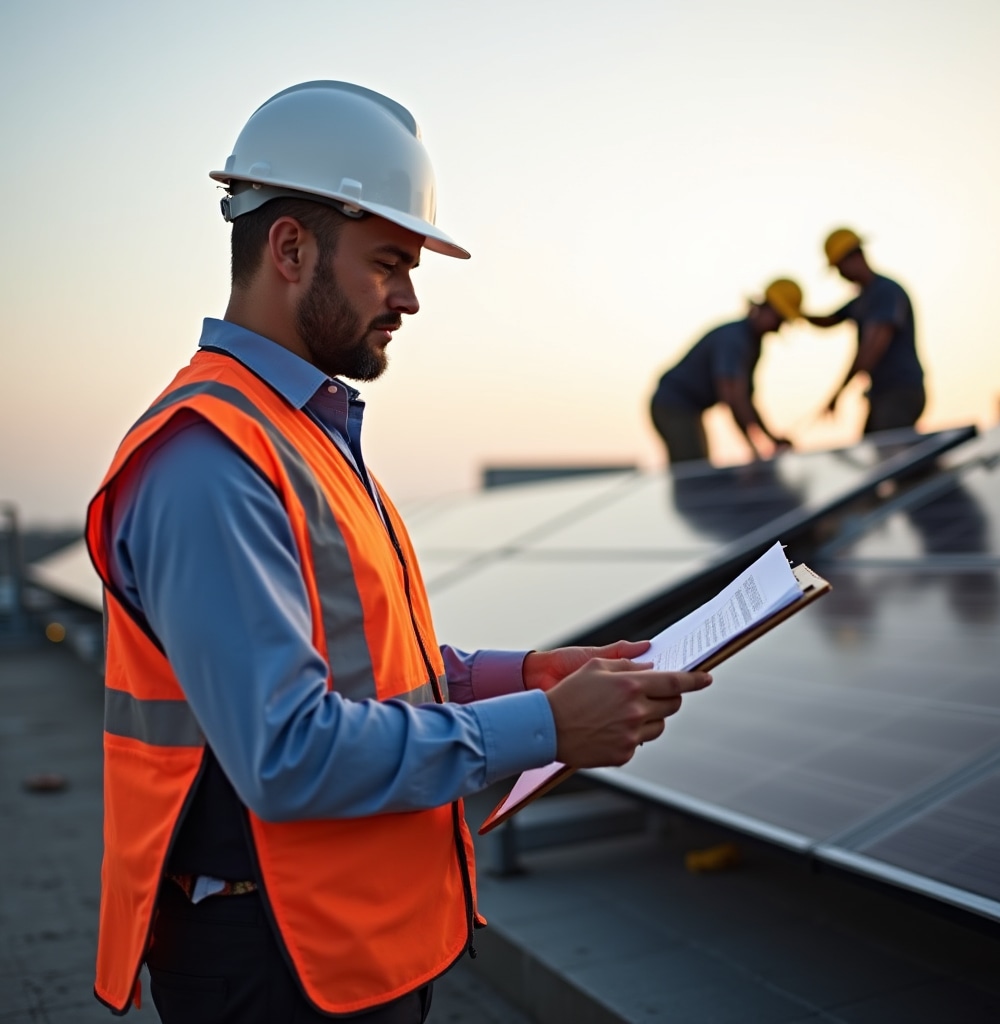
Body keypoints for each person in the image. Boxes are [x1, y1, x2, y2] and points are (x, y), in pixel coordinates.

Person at [83, 81, 713, 1023]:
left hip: (336, 943)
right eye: (388, 263)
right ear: (290, 249)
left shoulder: (300, 434)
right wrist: (546, 729)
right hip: (274, 964)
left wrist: (534, 675)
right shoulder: (210, 461)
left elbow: (381, 673)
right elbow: (288, 752)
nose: (411, 299)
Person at [649, 279, 803, 464]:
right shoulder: (735, 340)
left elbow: (746, 401)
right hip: (672, 406)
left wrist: (771, 438)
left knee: (698, 467)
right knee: (693, 470)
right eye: (778, 318)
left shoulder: (752, 344)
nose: (778, 327)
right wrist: (752, 446)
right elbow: (732, 399)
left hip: (687, 409)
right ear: (764, 307)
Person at [806, 227, 925, 434]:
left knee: (891, 456)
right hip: (883, 394)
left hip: (900, 391)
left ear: (855, 256)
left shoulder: (885, 292)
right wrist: (792, 312)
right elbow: (827, 320)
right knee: (878, 450)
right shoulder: (863, 299)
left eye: (840, 267)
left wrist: (838, 393)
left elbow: (870, 352)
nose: (841, 275)